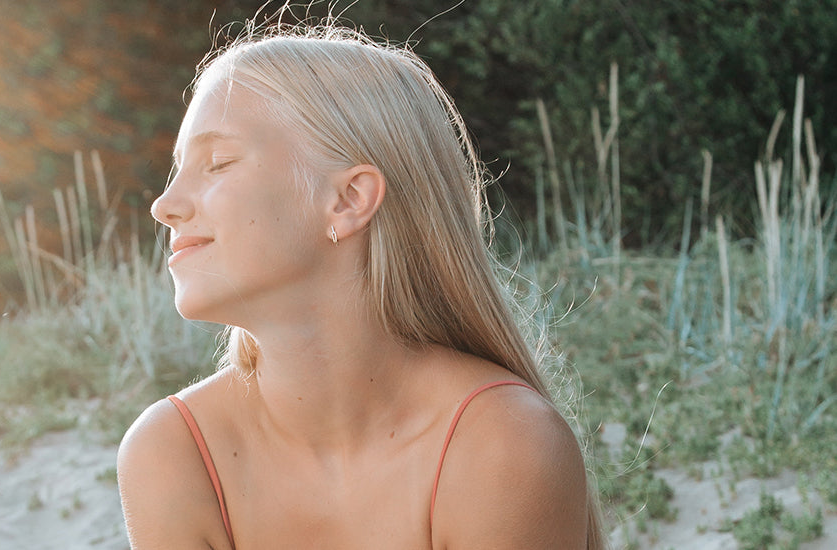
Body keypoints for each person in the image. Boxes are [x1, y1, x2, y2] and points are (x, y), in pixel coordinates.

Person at [117, 20, 604, 550]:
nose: (164, 205)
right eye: (177, 169)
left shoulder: (502, 446)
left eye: (218, 163)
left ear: (349, 200)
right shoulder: (174, 451)